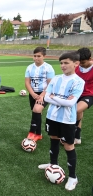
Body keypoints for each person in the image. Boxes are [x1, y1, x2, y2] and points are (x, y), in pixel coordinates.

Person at [38, 51, 85, 191]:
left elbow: (71, 104)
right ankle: (53, 164)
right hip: (52, 116)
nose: (62, 66)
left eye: (66, 63)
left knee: (68, 146)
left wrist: (54, 97)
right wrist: (59, 99)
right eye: (61, 63)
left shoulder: (79, 82)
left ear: (76, 64)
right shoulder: (56, 78)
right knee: (53, 139)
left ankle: (72, 177)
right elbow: (45, 98)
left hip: (67, 120)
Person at [25, 47, 55, 142]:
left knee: (37, 109)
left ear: (44, 56)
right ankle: (39, 134)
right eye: (34, 56)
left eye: (39, 56)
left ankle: (32, 132)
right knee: (37, 112)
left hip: (45, 93)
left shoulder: (48, 67)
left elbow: (51, 84)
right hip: (33, 93)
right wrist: (33, 93)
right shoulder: (29, 67)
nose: (36, 58)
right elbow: (27, 82)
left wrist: (42, 95)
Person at [74, 47, 93, 144]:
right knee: (78, 112)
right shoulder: (77, 67)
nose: (81, 65)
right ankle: (77, 138)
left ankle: (72, 131)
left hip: (89, 95)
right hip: (76, 94)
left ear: (90, 59)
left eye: (83, 63)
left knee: (76, 109)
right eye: (79, 62)